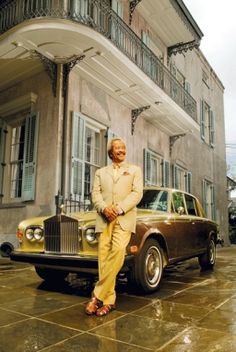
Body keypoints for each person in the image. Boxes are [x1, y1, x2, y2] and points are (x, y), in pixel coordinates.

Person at [85, 138, 143, 316]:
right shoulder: (101, 172)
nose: (121, 150)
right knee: (104, 259)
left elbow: (137, 193)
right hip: (104, 219)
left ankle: (96, 295)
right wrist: (104, 208)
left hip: (124, 218)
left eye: (123, 147)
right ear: (111, 152)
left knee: (118, 252)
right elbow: (95, 193)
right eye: (117, 148)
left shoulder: (134, 170)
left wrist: (118, 209)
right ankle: (109, 301)